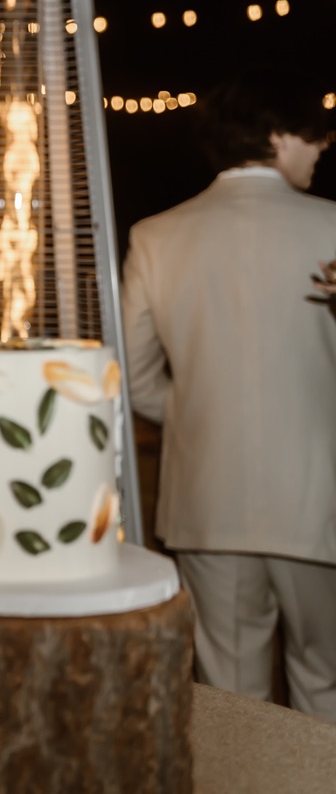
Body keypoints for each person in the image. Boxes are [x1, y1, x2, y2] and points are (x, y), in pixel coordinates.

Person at [120, 69, 336, 722]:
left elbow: (132, 376)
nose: (323, 149)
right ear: (276, 135)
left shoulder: (156, 235)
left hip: (206, 499)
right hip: (320, 495)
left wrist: (194, 416)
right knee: (326, 684)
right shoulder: (332, 225)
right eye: (314, 136)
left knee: (235, 704)